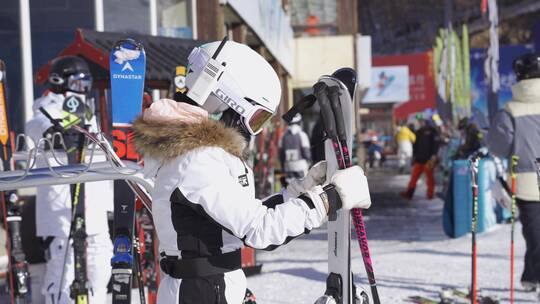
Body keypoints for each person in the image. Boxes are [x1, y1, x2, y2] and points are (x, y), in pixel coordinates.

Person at [132, 40, 372, 303]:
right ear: (225, 104)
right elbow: (260, 229)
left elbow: (243, 218)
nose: (252, 132)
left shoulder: (197, 154)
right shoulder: (196, 159)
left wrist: (301, 190)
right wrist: (330, 199)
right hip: (202, 291)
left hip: (209, 286)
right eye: (257, 119)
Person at [25, 56, 113, 304]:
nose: (82, 88)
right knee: (63, 278)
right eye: (77, 82)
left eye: (87, 83)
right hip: (64, 211)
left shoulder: (86, 110)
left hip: (94, 210)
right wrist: (58, 133)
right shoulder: (45, 108)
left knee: (100, 272)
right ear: (60, 81)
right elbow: (37, 127)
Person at [487, 52, 540, 292]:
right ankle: (532, 276)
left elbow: (498, 147)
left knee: (535, 235)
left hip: (527, 184)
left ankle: (532, 276)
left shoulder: (509, 111)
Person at [400, 115, 439, 200]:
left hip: (429, 159)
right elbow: (415, 146)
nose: (420, 122)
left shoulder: (433, 131)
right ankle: (409, 193)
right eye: (419, 121)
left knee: (429, 178)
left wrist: (434, 155)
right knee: (414, 177)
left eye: (422, 121)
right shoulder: (418, 132)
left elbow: (436, 144)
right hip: (419, 159)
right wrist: (414, 157)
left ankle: (430, 195)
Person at [278, 113, 311, 186]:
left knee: (290, 188)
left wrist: (283, 167)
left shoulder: (283, 136)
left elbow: (281, 154)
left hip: (288, 166)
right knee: (303, 187)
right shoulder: (302, 135)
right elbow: (306, 152)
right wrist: (309, 161)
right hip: (301, 166)